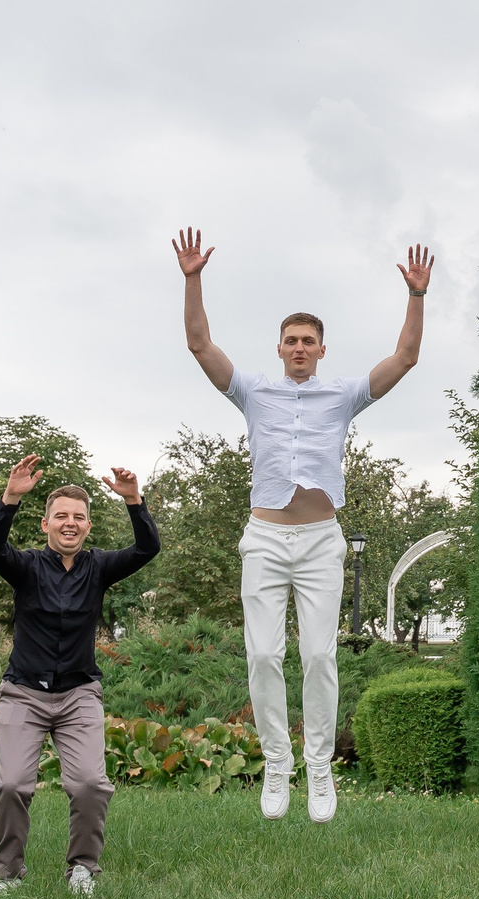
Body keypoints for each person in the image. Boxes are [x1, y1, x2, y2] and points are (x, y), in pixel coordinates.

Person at [174, 226, 431, 825]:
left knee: (318, 655)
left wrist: (415, 296)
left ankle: (319, 768)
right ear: (279, 347)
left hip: (319, 542)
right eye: (289, 340)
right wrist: (193, 279)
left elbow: (406, 359)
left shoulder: (341, 395)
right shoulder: (253, 391)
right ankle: (277, 765)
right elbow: (199, 343)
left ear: (321, 350)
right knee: (263, 655)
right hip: (264, 538)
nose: (297, 348)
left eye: (307, 341)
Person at [0, 454, 159, 896]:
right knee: (10, 784)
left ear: (87, 526)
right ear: (45, 525)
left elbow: (146, 549)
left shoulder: (98, 567)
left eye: (78, 517)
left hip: (79, 695)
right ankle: (7, 872)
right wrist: (9, 499)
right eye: (61, 516)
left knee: (89, 785)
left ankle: (82, 868)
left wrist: (134, 501)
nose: (69, 523)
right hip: (23, 693)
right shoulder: (25, 567)